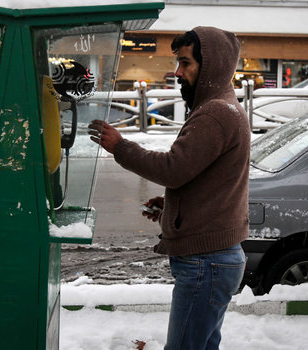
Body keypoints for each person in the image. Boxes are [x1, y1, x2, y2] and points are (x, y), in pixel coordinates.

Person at [88, 26, 250, 350]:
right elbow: (210, 180)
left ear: (212, 65)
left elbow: (173, 169)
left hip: (207, 262)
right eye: (178, 61)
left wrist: (121, 146)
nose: (177, 72)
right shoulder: (221, 107)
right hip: (215, 259)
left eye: (186, 63)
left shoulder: (216, 113)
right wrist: (172, 207)